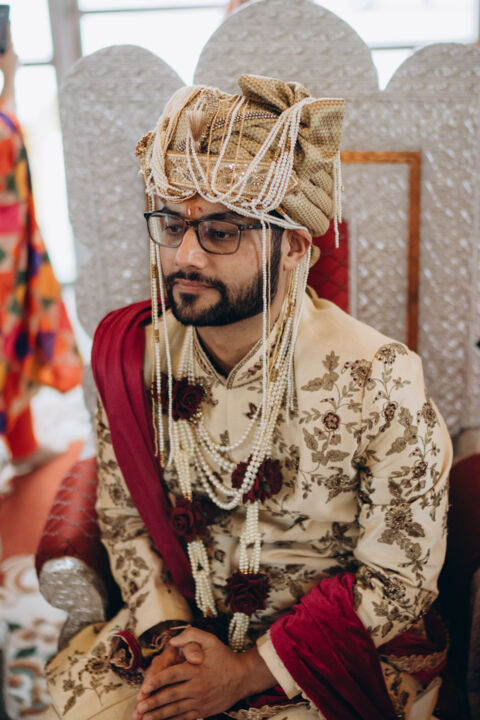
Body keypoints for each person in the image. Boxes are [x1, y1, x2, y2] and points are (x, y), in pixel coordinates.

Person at [43, 75, 451, 720]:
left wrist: (246, 672)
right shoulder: (137, 358)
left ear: (295, 246)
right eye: (172, 224)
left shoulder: (378, 376)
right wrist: (168, 635)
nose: (186, 255)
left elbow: (401, 577)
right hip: (180, 633)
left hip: (325, 654)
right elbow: (124, 517)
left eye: (222, 232)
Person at [0, 30, 83, 490]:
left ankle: (24, 445)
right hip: (5, 253)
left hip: (10, 251)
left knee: (14, 340)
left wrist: (8, 80)